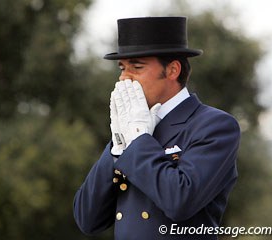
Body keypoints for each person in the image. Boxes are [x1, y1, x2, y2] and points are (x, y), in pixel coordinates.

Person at [73, 17, 240, 240]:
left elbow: (179, 201)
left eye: (137, 67)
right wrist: (117, 146)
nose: (124, 78)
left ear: (172, 70)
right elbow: (87, 219)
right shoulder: (131, 127)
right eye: (122, 68)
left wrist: (139, 140)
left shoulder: (215, 125)